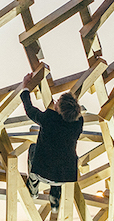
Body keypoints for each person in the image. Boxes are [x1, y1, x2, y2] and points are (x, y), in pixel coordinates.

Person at [19, 73, 83, 212]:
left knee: (33, 149)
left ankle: (33, 189)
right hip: (64, 177)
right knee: (60, 155)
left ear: (58, 108)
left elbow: (30, 110)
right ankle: (55, 201)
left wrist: (25, 88)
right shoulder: (78, 123)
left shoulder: (49, 119)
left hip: (42, 173)